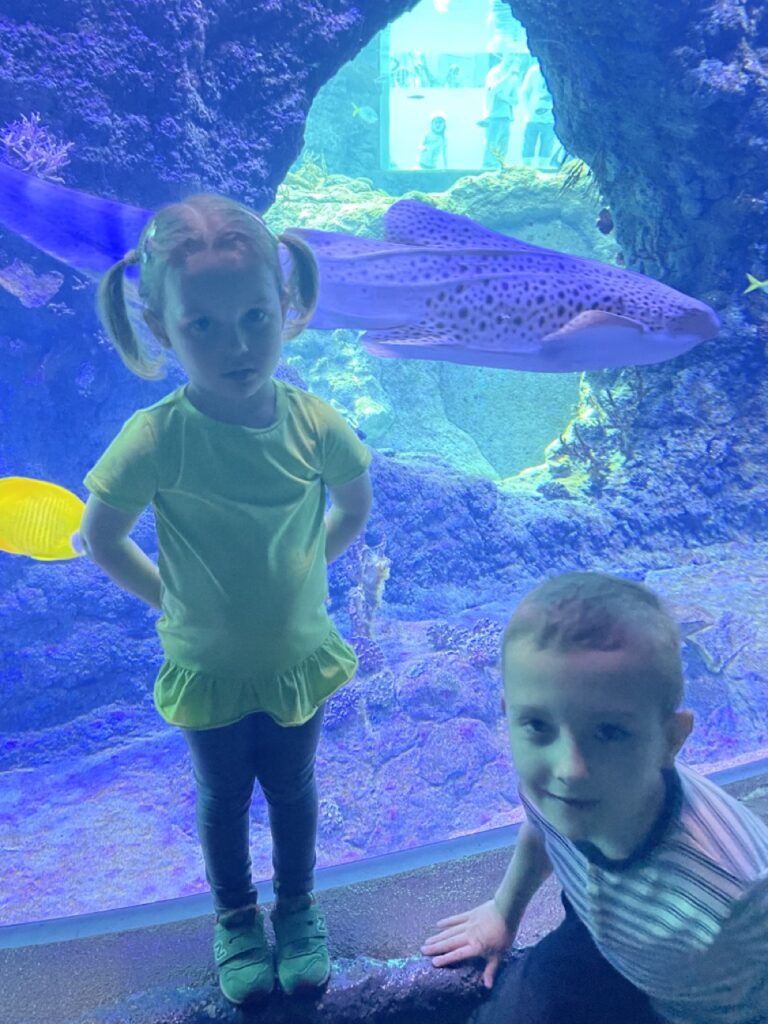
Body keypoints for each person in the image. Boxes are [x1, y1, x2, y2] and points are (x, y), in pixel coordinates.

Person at [77, 194, 373, 1007]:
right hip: (205, 666)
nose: (236, 345)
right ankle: (237, 918)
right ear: (160, 327)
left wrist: (306, 571)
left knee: (294, 789)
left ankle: (298, 908)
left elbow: (353, 506)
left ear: (287, 306)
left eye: (253, 317)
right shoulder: (156, 437)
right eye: (202, 325)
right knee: (222, 798)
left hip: (296, 659)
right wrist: (169, 601)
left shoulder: (314, 423)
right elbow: (99, 536)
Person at [422, 572, 768, 1024]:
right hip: (601, 935)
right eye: (537, 725)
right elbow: (542, 831)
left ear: (671, 738)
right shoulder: (553, 789)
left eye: (609, 732)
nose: (569, 769)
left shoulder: (739, 891)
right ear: (507, 715)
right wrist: (504, 913)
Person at [479, 53, 520, 169]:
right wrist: (509, 75)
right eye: (510, 56)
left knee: (503, 145)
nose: (513, 59)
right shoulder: (494, 73)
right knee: (492, 144)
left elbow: (515, 101)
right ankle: (488, 166)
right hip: (493, 115)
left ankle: (500, 167)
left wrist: (503, 97)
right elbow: (493, 90)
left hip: (506, 116)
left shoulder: (513, 77)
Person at [519, 62, 556, 170]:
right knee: (529, 144)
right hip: (532, 117)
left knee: (547, 145)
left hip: (550, 118)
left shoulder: (557, 70)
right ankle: (526, 171)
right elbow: (525, 91)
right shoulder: (534, 71)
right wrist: (527, 112)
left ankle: (543, 169)